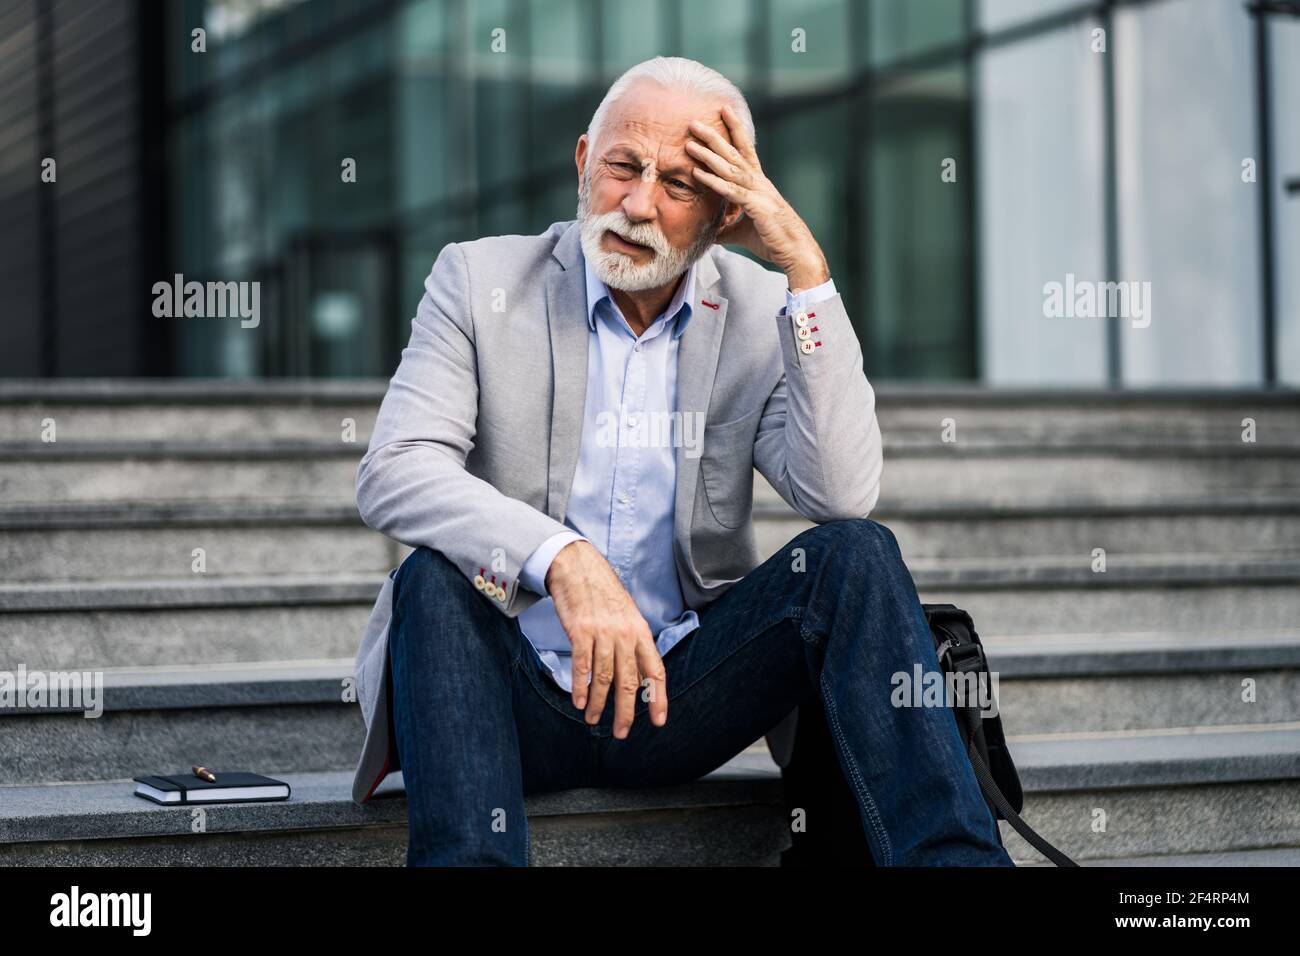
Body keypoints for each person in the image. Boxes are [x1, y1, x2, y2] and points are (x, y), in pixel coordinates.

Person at [349, 55, 1013, 867]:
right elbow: (395, 466)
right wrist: (562, 559)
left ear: (723, 213)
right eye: (623, 168)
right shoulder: (478, 279)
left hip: (681, 694)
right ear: (584, 160)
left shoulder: (758, 311)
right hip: (505, 693)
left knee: (856, 555)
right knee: (436, 579)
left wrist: (805, 275)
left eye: (677, 186)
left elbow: (839, 492)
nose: (637, 205)